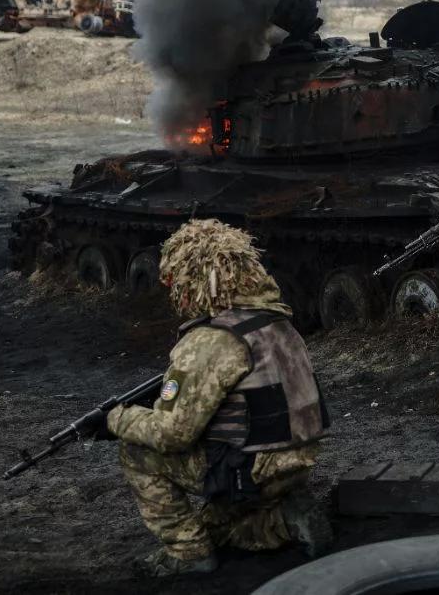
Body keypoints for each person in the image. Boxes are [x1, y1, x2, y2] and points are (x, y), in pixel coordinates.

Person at [104, 219, 331, 576]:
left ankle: (188, 553)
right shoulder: (278, 322)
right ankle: (284, 519)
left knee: (136, 451)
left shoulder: (212, 340)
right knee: (216, 526)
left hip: (251, 470)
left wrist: (117, 420)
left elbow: (172, 433)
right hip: (297, 459)